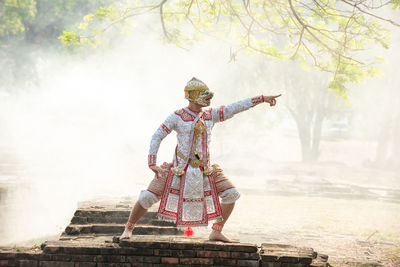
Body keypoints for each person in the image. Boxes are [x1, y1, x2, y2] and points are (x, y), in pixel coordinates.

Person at [120, 77, 281, 242]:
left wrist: (261, 99)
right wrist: (152, 163)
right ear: (192, 95)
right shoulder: (177, 116)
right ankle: (128, 228)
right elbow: (157, 136)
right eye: (204, 94)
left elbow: (235, 107)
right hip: (179, 169)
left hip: (205, 170)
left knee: (231, 194)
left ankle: (216, 231)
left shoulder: (211, 115)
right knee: (147, 197)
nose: (209, 98)